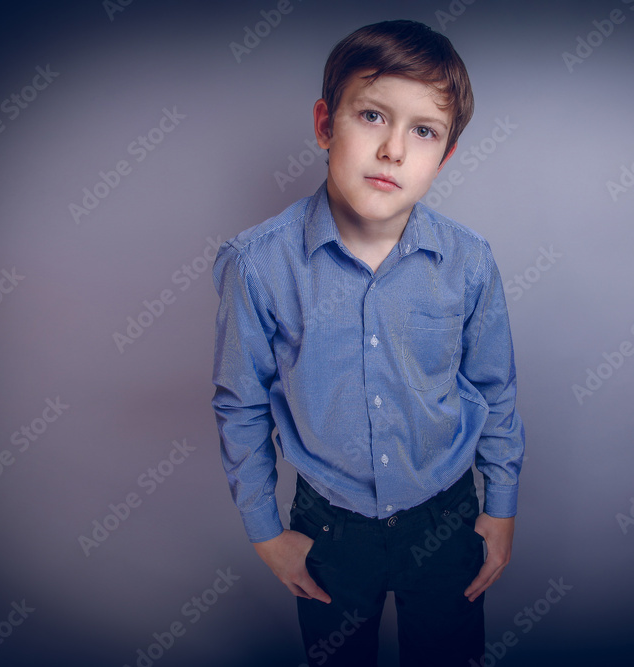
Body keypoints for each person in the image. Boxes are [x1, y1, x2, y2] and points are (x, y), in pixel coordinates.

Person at [211, 19, 525, 666]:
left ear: (446, 155)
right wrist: (266, 531)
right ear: (326, 124)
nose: (393, 150)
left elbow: (495, 389)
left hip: (445, 517)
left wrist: (501, 506)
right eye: (373, 115)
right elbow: (239, 403)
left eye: (424, 131)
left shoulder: (468, 262)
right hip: (329, 525)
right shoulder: (259, 264)